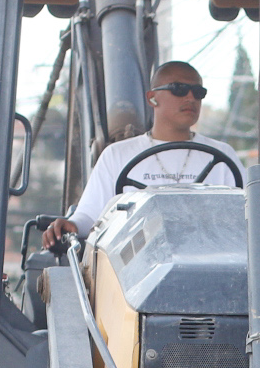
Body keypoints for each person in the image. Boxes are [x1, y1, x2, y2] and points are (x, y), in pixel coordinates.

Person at [42, 61, 242, 249]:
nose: (190, 98)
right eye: (178, 89)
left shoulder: (224, 155)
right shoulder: (117, 155)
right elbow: (90, 215)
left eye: (198, 92)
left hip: (209, 261)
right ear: (152, 98)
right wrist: (72, 226)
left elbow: (249, 212)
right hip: (131, 272)